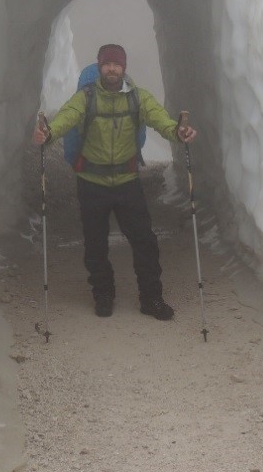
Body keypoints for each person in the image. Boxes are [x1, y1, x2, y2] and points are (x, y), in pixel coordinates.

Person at [32, 44, 197, 320]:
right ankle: (103, 295)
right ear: (99, 66)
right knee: (95, 244)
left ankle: (151, 298)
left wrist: (178, 133)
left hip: (126, 181)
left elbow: (161, 121)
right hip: (91, 182)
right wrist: (47, 135)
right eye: (107, 64)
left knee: (144, 241)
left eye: (116, 64)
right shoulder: (85, 97)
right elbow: (65, 119)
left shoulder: (138, 98)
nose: (111, 69)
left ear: (124, 68)